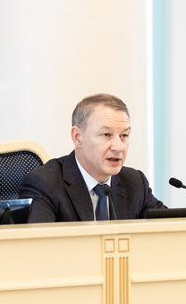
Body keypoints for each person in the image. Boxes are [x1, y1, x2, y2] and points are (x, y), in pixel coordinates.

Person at [19, 93, 165, 222]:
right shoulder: (45, 184)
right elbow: (38, 243)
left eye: (124, 135)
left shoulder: (135, 183)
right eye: (106, 135)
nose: (118, 147)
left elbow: (169, 230)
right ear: (77, 137)